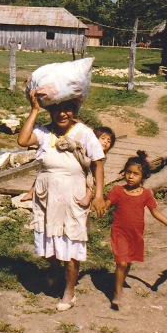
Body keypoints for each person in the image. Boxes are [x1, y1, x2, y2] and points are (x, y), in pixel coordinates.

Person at [17, 90, 105, 311]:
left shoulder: (83, 133)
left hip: (72, 194)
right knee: (49, 236)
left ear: (74, 110)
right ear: (51, 111)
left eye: (67, 109)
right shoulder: (46, 132)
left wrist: (99, 194)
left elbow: (98, 163)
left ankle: (69, 292)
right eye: (57, 109)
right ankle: (53, 269)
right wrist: (35, 109)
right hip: (47, 195)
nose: (62, 114)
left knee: (72, 243)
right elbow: (22, 140)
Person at [104, 152, 167, 309]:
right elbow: (106, 205)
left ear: (143, 176)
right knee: (122, 262)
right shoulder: (117, 190)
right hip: (119, 232)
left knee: (128, 261)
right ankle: (117, 292)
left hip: (135, 234)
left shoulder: (146, 194)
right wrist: (96, 208)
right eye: (128, 172)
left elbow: (155, 212)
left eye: (135, 174)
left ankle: (120, 280)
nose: (130, 176)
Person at [19, 125, 114, 204]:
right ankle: (32, 192)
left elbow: (97, 169)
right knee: (42, 173)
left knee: (90, 181)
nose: (105, 142)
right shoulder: (87, 147)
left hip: (85, 174)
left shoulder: (101, 158)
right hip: (67, 168)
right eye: (103, 139)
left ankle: (88, 196)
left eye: (109, 141)